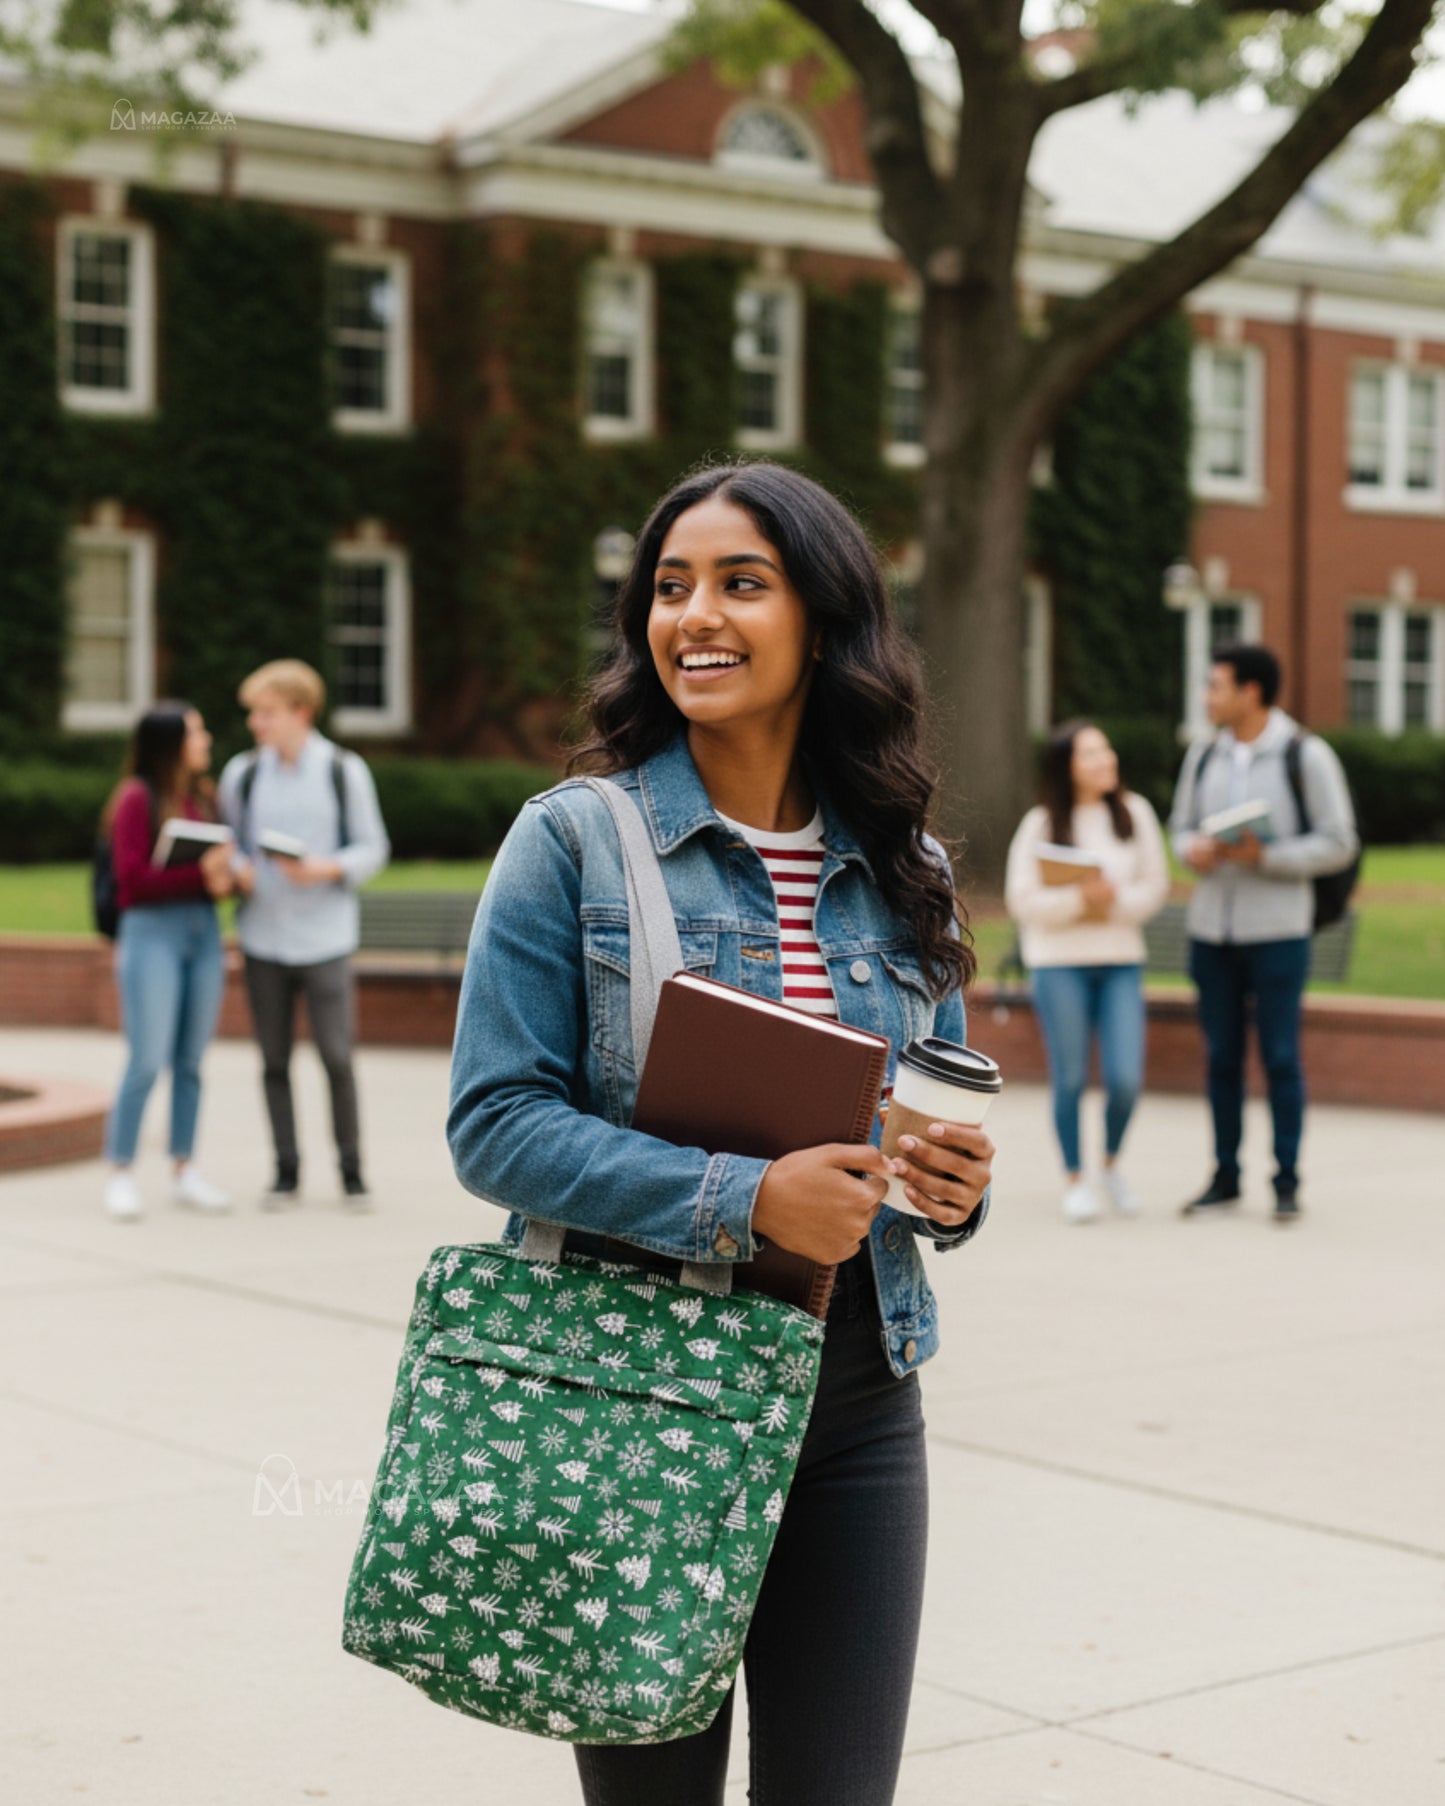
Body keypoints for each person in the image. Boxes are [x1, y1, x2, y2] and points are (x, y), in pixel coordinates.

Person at [447, 462, 995, 1805]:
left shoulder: (904, 865)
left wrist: (949, 1185)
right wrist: (745, 1196)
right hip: (639, 1393)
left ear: (824, 619)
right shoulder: (574, 843)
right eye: (670, 587)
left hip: (862, 1396)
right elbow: (492, 1124)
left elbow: (921, 1123)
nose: (695, 614)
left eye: (741, 584)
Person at [1169, 644, 1358, 1221]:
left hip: (1279, 932)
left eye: (1217, 686)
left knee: (1279, 1057)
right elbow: (1178, 829)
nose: (1208, 698)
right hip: (1212, 934)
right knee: (1221, 1057)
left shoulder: (1306, 754)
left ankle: (1286, 1180)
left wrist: (1265, 856)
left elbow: (1339, 842)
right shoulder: (1204, 756)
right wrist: (1194, 851)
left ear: (1251, 692)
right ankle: (1225, 1176)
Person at [218, 660, 390, 1207]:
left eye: (266, 713)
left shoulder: (344, 770)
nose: (256, 724)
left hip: (325, 938)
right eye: (254, 714)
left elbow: (373, 847)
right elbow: (233, 845)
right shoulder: (242, 774)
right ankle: (286, 1171)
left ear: (301, 712)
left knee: (336, 1058)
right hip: (262, 938)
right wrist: (237, 867)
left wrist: (327, 868)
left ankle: (352, 1172)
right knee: (273, 1061)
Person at [1005, 721, 1169, 1222]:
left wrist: (1114, 901)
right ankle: (1075, 1179)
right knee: (1070, 1076)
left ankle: (1111, 1165)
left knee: (1125, 1078)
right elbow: (1022, 900)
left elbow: (1155, 887)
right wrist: (1079, 899)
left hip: (1120, 960)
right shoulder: (1039, 824)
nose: (1106, 760)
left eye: (1107, 749)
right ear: (1066, 767)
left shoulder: (1135, 813)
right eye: (1091, 753)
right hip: (1058, 965)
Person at [101, 702, 234, 1222]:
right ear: (171, 741)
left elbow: (210, 869)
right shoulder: (137, 798)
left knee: (192, 1061)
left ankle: (184, 1169)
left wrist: (225, 876)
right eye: (197, 731)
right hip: (150, 936)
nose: (205, 739)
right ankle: (121, 1171)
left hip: (202, 936)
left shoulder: (202, 796)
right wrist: (202, 875)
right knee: (146, 1059)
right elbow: (131, 882)